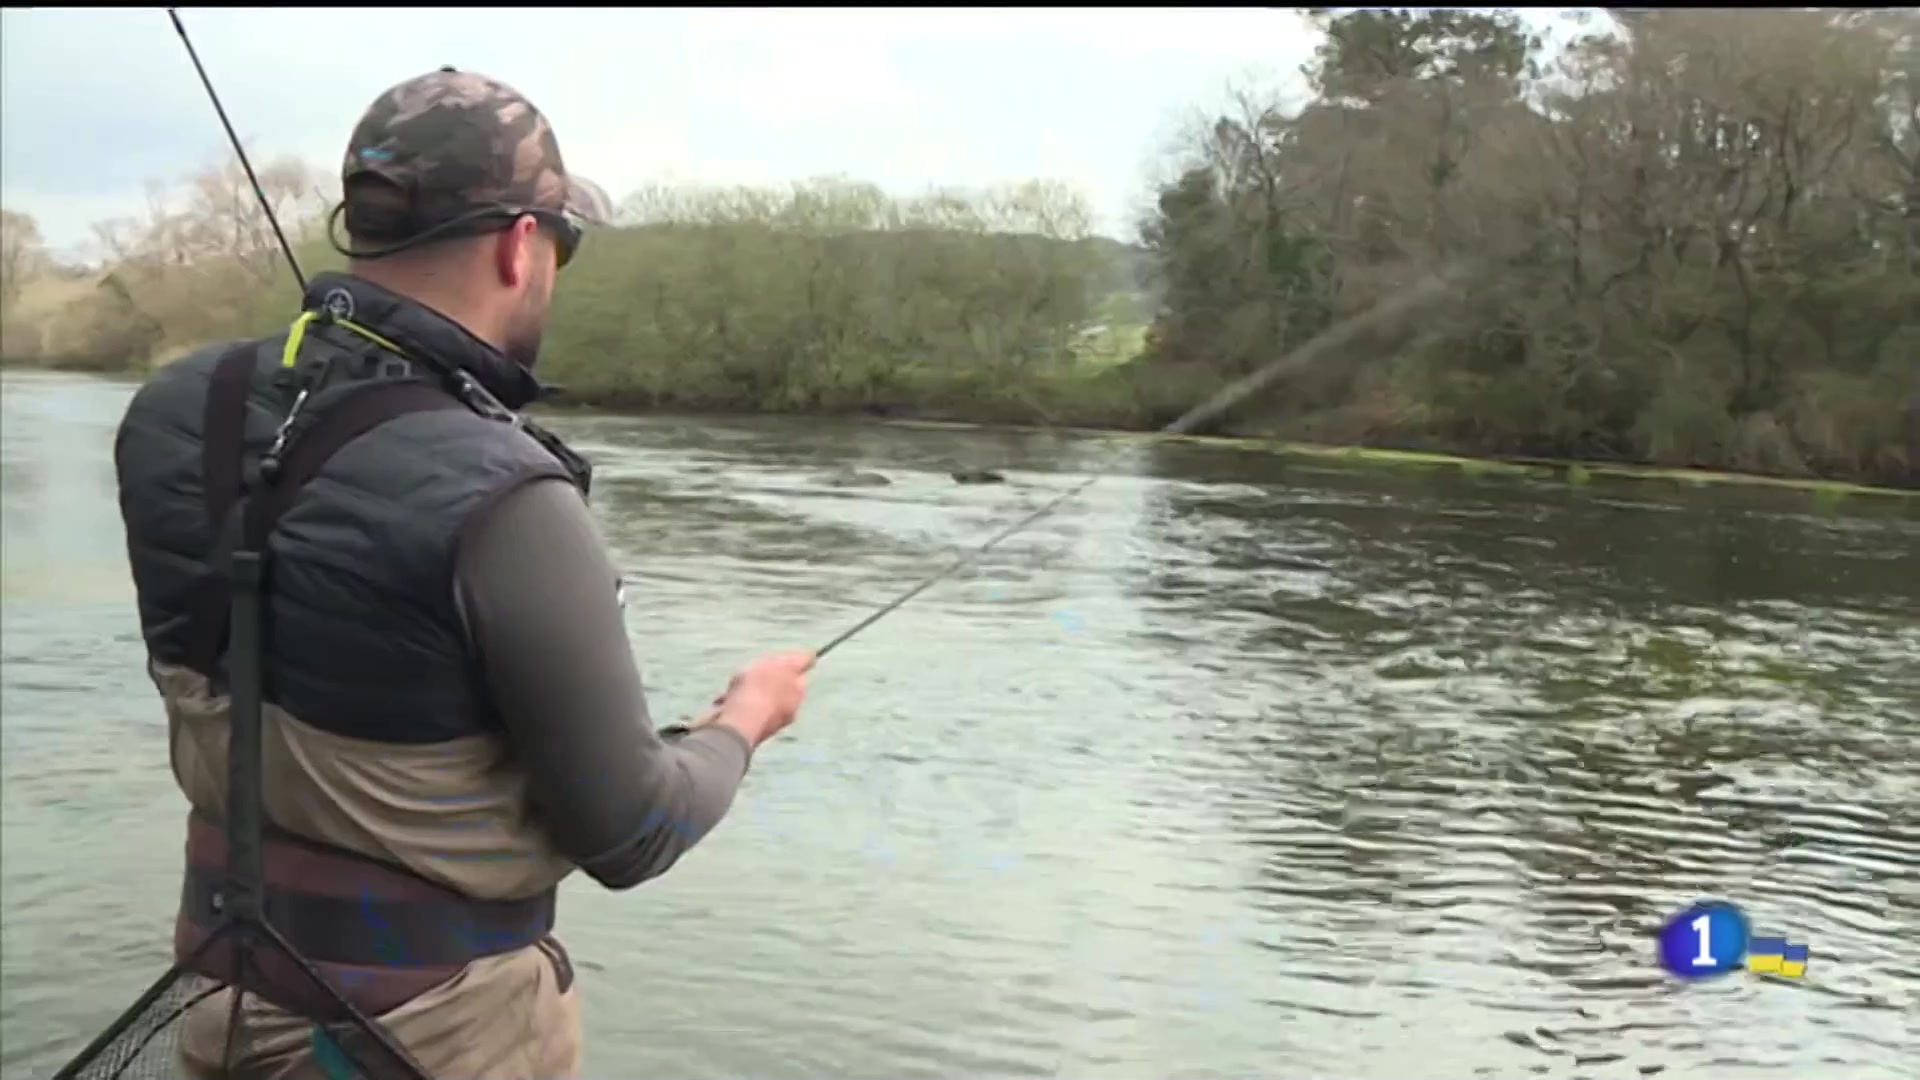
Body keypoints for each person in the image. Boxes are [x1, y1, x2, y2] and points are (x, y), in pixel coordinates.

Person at [111, 67, 813, 1079]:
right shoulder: (507, 496)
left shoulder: (173, 411)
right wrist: (743, 720)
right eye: (562, 247)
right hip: (432, 1037)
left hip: (222, 1002)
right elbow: (634, 832)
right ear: (522, 245)